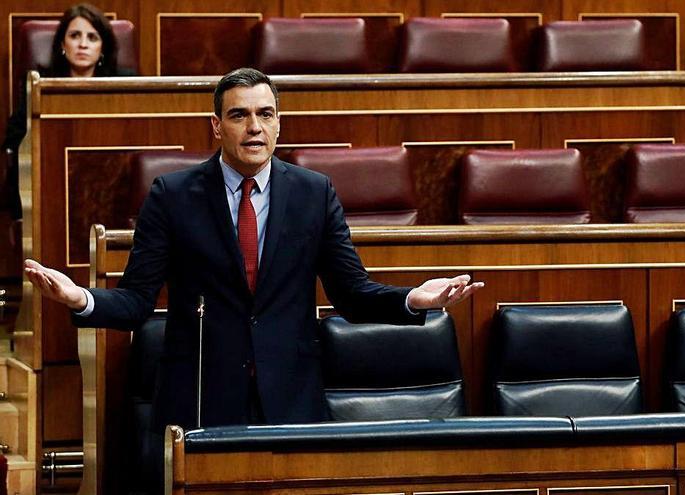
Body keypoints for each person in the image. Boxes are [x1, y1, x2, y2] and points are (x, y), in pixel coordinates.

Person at [24, 67, 483, 430]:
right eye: (239, 115)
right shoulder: (173, 195)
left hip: (290, 399)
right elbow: (136, 302)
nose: (254, 127)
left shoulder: (314, 193)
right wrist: (79, 298)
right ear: (217, 126)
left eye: (265, 114)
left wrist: (412, 299)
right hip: (200, 398)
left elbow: (351, 293)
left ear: (279, 124)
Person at [3, 3, 135, 225]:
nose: (83, 44)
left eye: (92, 38)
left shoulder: (123, 87)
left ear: (103, 47)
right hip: (54, 191)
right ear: (63, 43)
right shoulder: (39, 87)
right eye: (75, 35)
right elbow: (17, 144)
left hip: (112, 190)